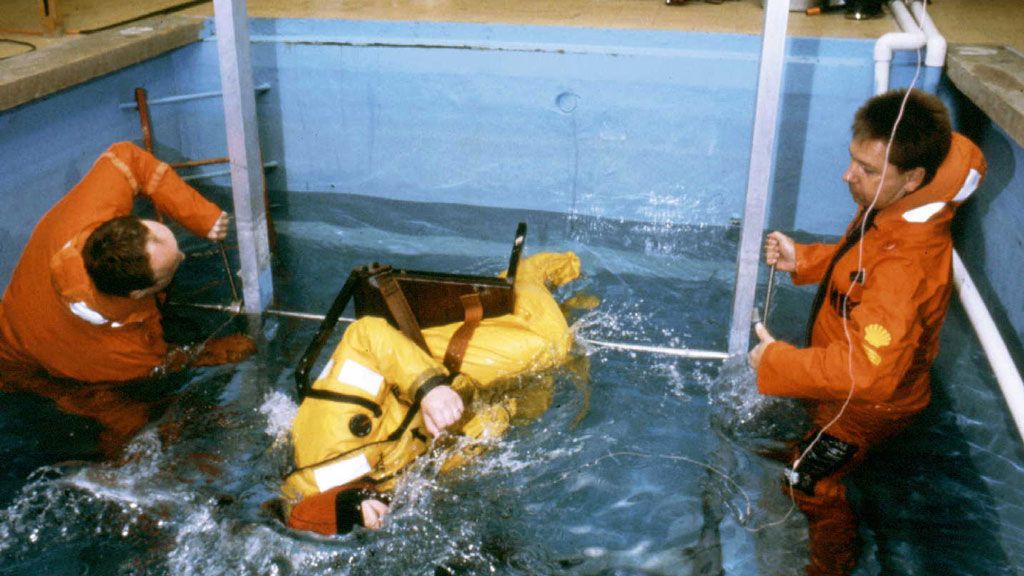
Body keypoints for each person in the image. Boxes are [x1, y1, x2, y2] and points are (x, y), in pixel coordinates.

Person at [748, 89, 986, 575]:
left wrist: (776, 364)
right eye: (853, 160)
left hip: (864, 409)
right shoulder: (898, 206)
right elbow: (860, 264)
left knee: (805, 481)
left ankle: (830, 568)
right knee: (800, 455)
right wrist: (807, 259)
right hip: (848, 383)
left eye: (867, 171)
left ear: (913, 178)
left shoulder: (907, 266)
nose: (847, 176)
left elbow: (869, 375)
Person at [281, 251, 585, 534]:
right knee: (537, 396)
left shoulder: (330, 432)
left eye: (364, 514)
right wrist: (492, 422)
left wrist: (430, 388)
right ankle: (570, 307)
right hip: (453, 400)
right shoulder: (378, 489)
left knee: (550, 348)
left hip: (427, 364)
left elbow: (364, 335)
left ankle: (533, 273)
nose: (378, 520)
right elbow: (434, 458)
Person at [0, 141, 255, 385]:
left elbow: (128, 158)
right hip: (25, 362)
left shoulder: (89, 211)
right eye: (172, 266)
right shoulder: (124, 354)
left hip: (17, 317)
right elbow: (163, 363)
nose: (183, 256)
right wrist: (210, 352)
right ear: (139, 293)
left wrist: (201, 216)